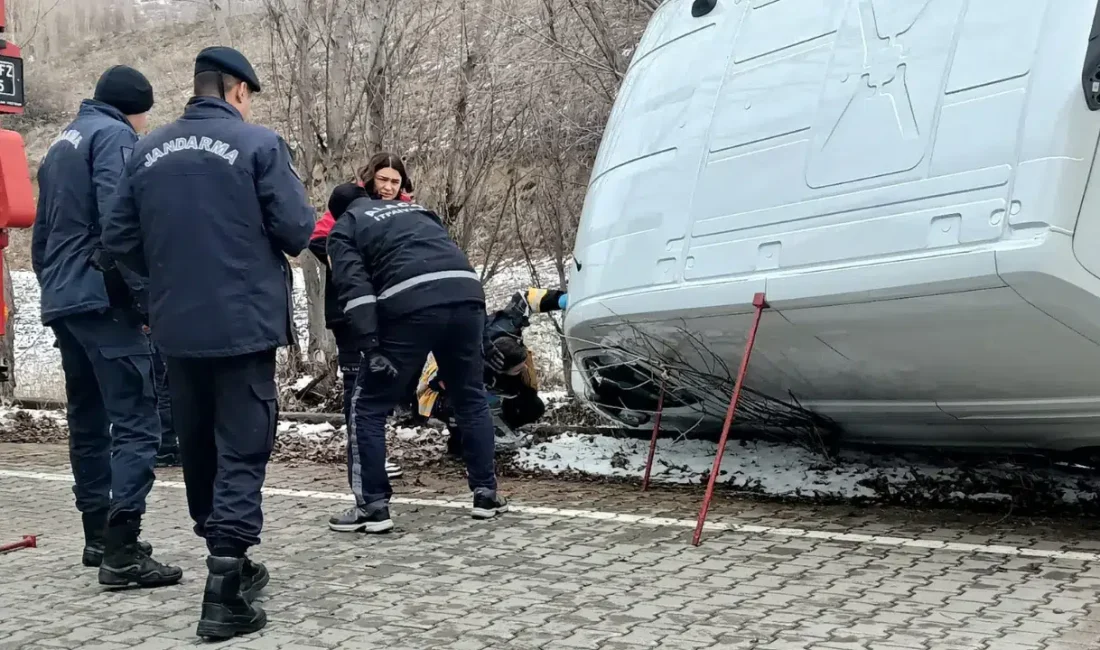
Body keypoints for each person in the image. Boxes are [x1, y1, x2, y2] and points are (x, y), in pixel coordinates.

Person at [101, 46, 315, 641]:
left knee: (198, 447)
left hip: (177, 328)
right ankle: (224, 593)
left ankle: (230, 561)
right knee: (242, 448)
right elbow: (297, 229)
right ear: (238, 90)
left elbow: (118, 235)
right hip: (243, 326)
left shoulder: (146, 149)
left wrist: (163, 283)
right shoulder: (259, 144)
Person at [31, 65, 181, 588]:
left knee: (88, 420)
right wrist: (145, 301)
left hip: (65, 300)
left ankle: (97, 536)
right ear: (134, 110)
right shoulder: (114, 136)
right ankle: (123, 550)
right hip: (104, 300)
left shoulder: (60, 144)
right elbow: (122, 221)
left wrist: (56, 291)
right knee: (137, 422)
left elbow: (42, 235)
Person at [326, 186, 509, 533]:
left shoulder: (346, 226)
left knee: (367, 406)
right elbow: (448, 257)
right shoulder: (417, 211)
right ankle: (486, 494)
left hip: (410, 303)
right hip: (467, 296)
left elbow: (354, 288)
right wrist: (483, 333)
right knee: (470, 397)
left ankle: (372, 506)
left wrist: (370, 347)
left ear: (337, 212)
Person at [308, 154, 417, 482]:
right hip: (350, 309)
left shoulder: (406, 209)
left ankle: (374, 453)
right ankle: (363, 460)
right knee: (357, 386)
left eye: (395, 181)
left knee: (380, 385)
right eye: (382, 179)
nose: (388, 187)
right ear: (370, 178)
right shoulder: (349, 203)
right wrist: (353, 261)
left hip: (390, 310)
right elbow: (317, 240)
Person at [418, 288, 568, 457]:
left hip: (490, 375)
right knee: (460, 405)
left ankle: (501, 428)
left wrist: (561, 300)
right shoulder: (465, 358)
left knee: (531, 406)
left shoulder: (505, 326)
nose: (526, 368)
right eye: (519, 368)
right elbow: (437, 382)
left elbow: (525, 298)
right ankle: (463, 441)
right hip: (439, 391)